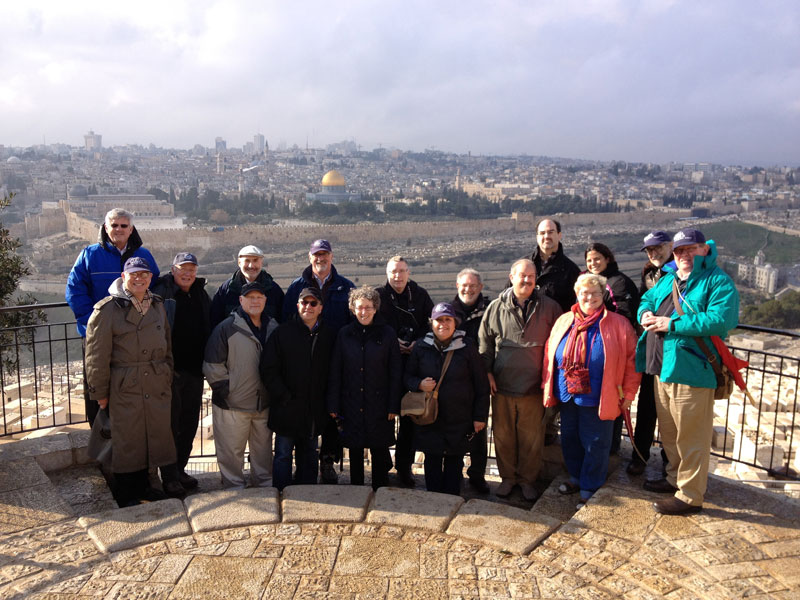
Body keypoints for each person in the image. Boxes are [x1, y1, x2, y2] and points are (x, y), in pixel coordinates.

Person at [637, 228, 739, 515]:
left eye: (690, 249)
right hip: (662, 367)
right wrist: (644, 314)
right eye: (680, 250)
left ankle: (690, 495)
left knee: (692, 437)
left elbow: (722, 319)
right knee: (670, 432)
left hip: (693, 369)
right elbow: (647, 300)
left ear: (704, 250)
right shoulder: (670, 278)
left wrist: (673, 325)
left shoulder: (717, 281)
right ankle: (674, 479)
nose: (684, 255)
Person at [542, 273, 640, 506]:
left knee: (596, 442)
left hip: (599, 395)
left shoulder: (618, 324)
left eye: (595, 293)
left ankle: (590, 486)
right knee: (570, 439)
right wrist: (547, 384)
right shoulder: (564, 321)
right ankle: (576, 477)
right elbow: (549, 352)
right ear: (577, 294)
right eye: (585, 292)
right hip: (567, 393)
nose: (590, 297)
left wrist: (628, 394)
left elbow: (632, 362)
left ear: (603, 295)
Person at [84, 257, 174, 507]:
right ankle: (125, 491)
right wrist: (100, 392)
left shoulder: (157, 305)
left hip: (155, 382)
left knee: (152, 437)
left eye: (144, 275)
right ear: (124, 277)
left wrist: (167, 374)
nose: (139, 279)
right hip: (125, 385)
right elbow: (96, 355)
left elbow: (166, 344)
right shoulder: (107, 310)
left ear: (150, 278)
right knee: (127, 441)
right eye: (134, 274)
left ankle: (147, 487)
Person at [66, 208, 159, 425]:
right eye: (114, 225)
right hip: (97, 334)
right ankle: (100, 445)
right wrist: (92, 321)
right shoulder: (89, 255)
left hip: (132, 335)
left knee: (131, 387)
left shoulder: (143, 256)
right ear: (106, 228)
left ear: (131, 229)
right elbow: (74, 289)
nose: (118, 229)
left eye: (123, 226)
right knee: (97, 386)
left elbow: (153, 288)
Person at [478, 259, 561, 501]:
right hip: (502, 385)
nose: (526, 280)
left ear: (536, 279)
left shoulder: (550, 307)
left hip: (535, 387)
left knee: (532, 438)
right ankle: (508, 479)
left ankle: (527, 481)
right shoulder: (495, 307)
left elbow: (559, 342)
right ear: (511, 276)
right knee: (503, 436)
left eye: (531, 276)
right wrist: (488, 372)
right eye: (522, 275)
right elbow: (485, 342)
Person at [283, 239, 355, 483]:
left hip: (336, 361)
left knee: (333, 414)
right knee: (304, 413)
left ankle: (327, 461)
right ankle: (302, 463)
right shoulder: (296, 287)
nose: (320, 259)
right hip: (305, 361)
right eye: (316, 255)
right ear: (309, 257)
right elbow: (286, 322)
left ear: (332, 257)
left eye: (324, 255)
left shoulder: (346, 287)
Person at [404, 303, 489, 496]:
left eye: (447, 320)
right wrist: (418, 384)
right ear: (431, 323)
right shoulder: (421, 347)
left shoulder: (467, 348)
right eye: (439, 320)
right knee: (432, 460)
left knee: (455, 460)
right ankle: (434, 503)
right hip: (429, 418)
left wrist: (480, 416)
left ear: (455, 323)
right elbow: (407, 377)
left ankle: (451, 501)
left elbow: (481, 385)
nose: (443, 324)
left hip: (459, 418)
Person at [203, 281, 277, 489]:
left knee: (262, 452)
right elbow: (212, 365)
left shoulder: (273, 327)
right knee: (231, 452)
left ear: (265, 300)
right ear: (240, 300)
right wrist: (227, 392)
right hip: (233, 404)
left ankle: (263, 486)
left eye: (259, 297)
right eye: (250, 297)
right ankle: (234, 488)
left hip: (263, 403)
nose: (255, 301)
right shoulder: (226, 328)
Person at [327, 286, 401, 490]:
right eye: (359, 307)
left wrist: (394, 405)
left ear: (375, 308)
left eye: (368, 307)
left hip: (380, 403)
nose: (364, 311)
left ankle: (380, 492)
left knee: (379, 450)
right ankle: (357, 492)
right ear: (352, 309)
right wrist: (334, 404)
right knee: (355, 450)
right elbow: (336, 370)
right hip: (351, 402)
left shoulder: (387, 334)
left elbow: (396, 372)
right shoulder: (344, 334)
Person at [261, 288, 336, 490]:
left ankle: (307, 494)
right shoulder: (282, 333)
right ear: (297, 305)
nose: (308, 307)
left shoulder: (329, 336)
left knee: (309, 453)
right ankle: (282, 494)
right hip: (286, 407)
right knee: (283, 454)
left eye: (313, 304)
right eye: (304, 303)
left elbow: (334, 371)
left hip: (314, 408)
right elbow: (268, 369)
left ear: (320, 308)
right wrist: (283, 395)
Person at [152, 252, 211, 492]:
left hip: (195, 370)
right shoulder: (162, 293)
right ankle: (169, 476)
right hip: (171, 370)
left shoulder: (200, 292)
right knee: (170, 424)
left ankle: (180, 469)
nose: (187, 273)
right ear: (173, 270)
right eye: (183, 269)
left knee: (188, 422)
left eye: (191, 269)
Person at [376, 256, 434, 487]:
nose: (397, 276)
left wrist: (416, 343)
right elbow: (372, 324)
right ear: (387, 273)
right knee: (383, 419)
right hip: (385, 368)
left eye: (401, 271)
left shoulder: (420, 296)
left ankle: (404, 468)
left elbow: (430, 325)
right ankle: (382, 466)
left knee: (409, 421)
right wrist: (392, 342)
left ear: (408, 272)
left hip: (413, 365)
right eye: (393, 271)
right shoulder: (378, 296)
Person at [584, 242, 640, 455]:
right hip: (596, 351)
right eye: (589, 260)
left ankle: (610, 449)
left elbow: (623, 319)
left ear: (608, 258)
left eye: (597, 258)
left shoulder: (618, 283)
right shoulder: (598, 281)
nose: (593, 263)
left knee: (612, 401)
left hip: (613, 350)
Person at [627, 231, 674, 476]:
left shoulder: (680, 273)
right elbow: (644, 300)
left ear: (670, 246)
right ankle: (640, 455)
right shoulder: (649, 273)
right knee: (647, 406)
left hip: (672, 350)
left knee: (670, 411)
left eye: (658, 248)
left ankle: (670, 462)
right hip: (650, 347)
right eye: (649, 250)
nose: (653, 253)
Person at [451, 268, 491, 493]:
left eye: (473, 286)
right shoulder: (448, 311)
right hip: (454, 379)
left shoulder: (490, 310)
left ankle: (477, 474)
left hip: (479, 377)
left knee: (479, 427)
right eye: (464, 285)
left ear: (481, 288)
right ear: (457, 287)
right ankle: (455, 473)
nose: (468, 289)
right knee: (454, 428)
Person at [210, 245, 284, 328]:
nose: (251, 266)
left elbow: (282, 322)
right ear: (239, 263)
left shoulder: (274, 290)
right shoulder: (225, 290)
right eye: (247, 261)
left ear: (261, 262)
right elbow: (216, 322)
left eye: (255, 261)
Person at [530, 218, 581, 313]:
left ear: (559, 235)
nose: (546, 236)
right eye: (542, 233)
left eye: (550, 232)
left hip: (557, 325)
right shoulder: (523, 265)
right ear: (537, 237)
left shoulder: (571, 270)